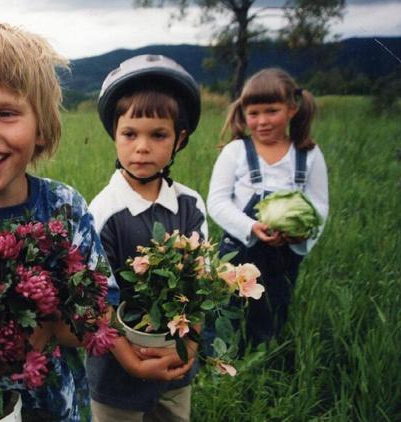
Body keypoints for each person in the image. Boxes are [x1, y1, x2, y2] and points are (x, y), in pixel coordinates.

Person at [0, 20, 117, 422]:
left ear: (41, 126)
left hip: (54, 408)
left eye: (6, 113)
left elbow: (100, 318)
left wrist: (45, 325)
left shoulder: (64, 208)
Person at [86, 54, 205, 422]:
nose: (142, 147)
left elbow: (203, 282)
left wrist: (191, 342)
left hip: (176, 362)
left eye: (158, 135)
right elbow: (95, 299)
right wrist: (131, 362)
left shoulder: (190, 205)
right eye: (130, 133)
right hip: (117, 369)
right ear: (114, 135)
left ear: (179, 139)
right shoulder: (103, 212)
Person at [207, 68, 329, 346]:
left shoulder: (308, 154)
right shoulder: (236, 151)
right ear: (244, 114)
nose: (262, 121)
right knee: (227, 312)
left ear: (292, 109)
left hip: (284, 254)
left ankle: (262, 362)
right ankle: (221, 361)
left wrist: (304, 235)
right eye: (254, 113)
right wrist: (250, 226)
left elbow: (320, 205)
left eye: (271, 111)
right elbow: (217, 201)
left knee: (273, 311)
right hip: (239, 247)